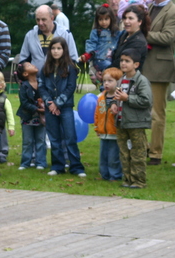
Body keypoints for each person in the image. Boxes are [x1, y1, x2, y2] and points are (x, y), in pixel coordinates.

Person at [143, 0, 175, 166]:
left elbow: (167, 37)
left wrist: (142, 33)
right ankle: (142, 147)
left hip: (160, 67)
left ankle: (156, 153)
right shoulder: (149, 7)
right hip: (142, 65)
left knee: (157, 113)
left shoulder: (174, 12)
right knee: (139, 109)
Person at [39, 37, 87, 177]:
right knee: (54, 138)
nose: (55, 51)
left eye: (59, 48)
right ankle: (57, 166)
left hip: (65, 107)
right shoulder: (45, 68)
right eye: (53, 48)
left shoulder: (70, 68)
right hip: (50, 108)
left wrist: (58, 103)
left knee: (70, 136)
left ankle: (76, 167)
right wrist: (50, 103)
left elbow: (71, 87)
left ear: (64, 50)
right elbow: (41, 87)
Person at [114, 49, 153, 189]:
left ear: (136, 64)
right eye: (122, 60)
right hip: (121, 122)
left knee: (137, 153)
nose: (123, 63)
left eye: (127, 61)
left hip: (136, 123)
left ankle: (139, 181)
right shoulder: (120, 80)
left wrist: (128, 98)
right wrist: (114, 105)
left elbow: (146, 100)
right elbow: (117, 98)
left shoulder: (141, 81)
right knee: (124, 153)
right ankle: (127, 179)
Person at [20, 5, 78, 71]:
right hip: (35, 79)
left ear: (52, 18)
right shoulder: (30, 35)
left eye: (43, 19)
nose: (40, 23)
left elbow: (73, 59)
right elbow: (23, 60)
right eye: (38, 20)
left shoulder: (65, 34)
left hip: (60, 78)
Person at [93, 67, 123, 181]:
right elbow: (97, 114)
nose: (106, 83)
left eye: (110, 81)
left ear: (118, 82)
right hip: (103, 132)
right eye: (104, 81)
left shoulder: (119, 98)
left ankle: (115, 175)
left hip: (114, 132)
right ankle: (104, 174)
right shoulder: (101, 98)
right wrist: (97, 127)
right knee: (103, 156)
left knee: (113, 156)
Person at [15, 62, 47, 171]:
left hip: (41, 118)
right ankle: (25, 163)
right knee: (27, 141)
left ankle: (41, 162)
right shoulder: (24, 86)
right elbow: (24, 102)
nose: (33, 65)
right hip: (27, 117)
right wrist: (37, 109)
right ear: (25, 73)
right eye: (29, 66)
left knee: (41, 140)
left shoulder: (42, 82)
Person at [81, 4, 122, 79]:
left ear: (111, 19)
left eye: (106, 19)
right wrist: (89, 53)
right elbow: (92, 42)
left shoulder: (115, 31)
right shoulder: (96, 31)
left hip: (111, 58)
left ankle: (105, 88)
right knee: (111, 71)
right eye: (100, 19)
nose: (103, 22)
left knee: (109, 76)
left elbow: (122, 35)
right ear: (97, 20)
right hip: (100, 59)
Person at [110, 5, 149, 71]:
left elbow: (122, 63)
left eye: (130, 18)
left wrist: (105, 71)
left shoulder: (139, 42)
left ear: (140, 22)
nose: (126, 21)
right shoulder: (124, 34)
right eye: (125, 18)